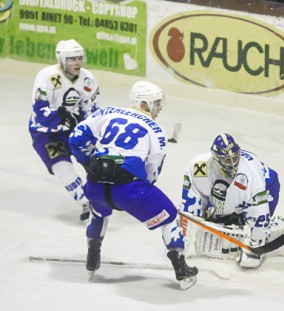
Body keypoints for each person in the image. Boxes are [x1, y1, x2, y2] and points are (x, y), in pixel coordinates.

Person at [68, 81, 198, 290]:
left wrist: (88, 164)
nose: (160, 108)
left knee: (98, 211)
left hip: (95, 186)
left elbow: (75, 138)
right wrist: (140, 191)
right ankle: (182, 271)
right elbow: (152, 169)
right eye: (156, 103)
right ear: (143, 104)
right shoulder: (155, 129)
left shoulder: (107, 112)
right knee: (170, 217)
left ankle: (92, 257)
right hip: (130, 191)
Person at [179, 133, 284, 269]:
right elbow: (191, 204)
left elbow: (259, 222)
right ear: (216, 158)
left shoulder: (251, 175)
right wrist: (186, 232)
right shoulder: (199, 167)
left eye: (235, 157)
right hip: (230, 192)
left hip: (267, 188)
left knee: (251, 234)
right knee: (218, 220)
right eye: (227, 160)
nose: (233, 162)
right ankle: (233, 218)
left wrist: (255, 247)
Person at [29, 39, 99, 221]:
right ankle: (85, 202)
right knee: (62, 166)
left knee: (97, 162)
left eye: (79, 58)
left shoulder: (88, 79)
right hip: (46, 132)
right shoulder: (47, 76)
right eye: (71, 59)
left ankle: (105, 196)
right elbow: (40, 111)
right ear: (61, 60)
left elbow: (90, 110)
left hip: (73, 129)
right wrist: (63, 116)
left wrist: (91, 129)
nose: (77, 62)